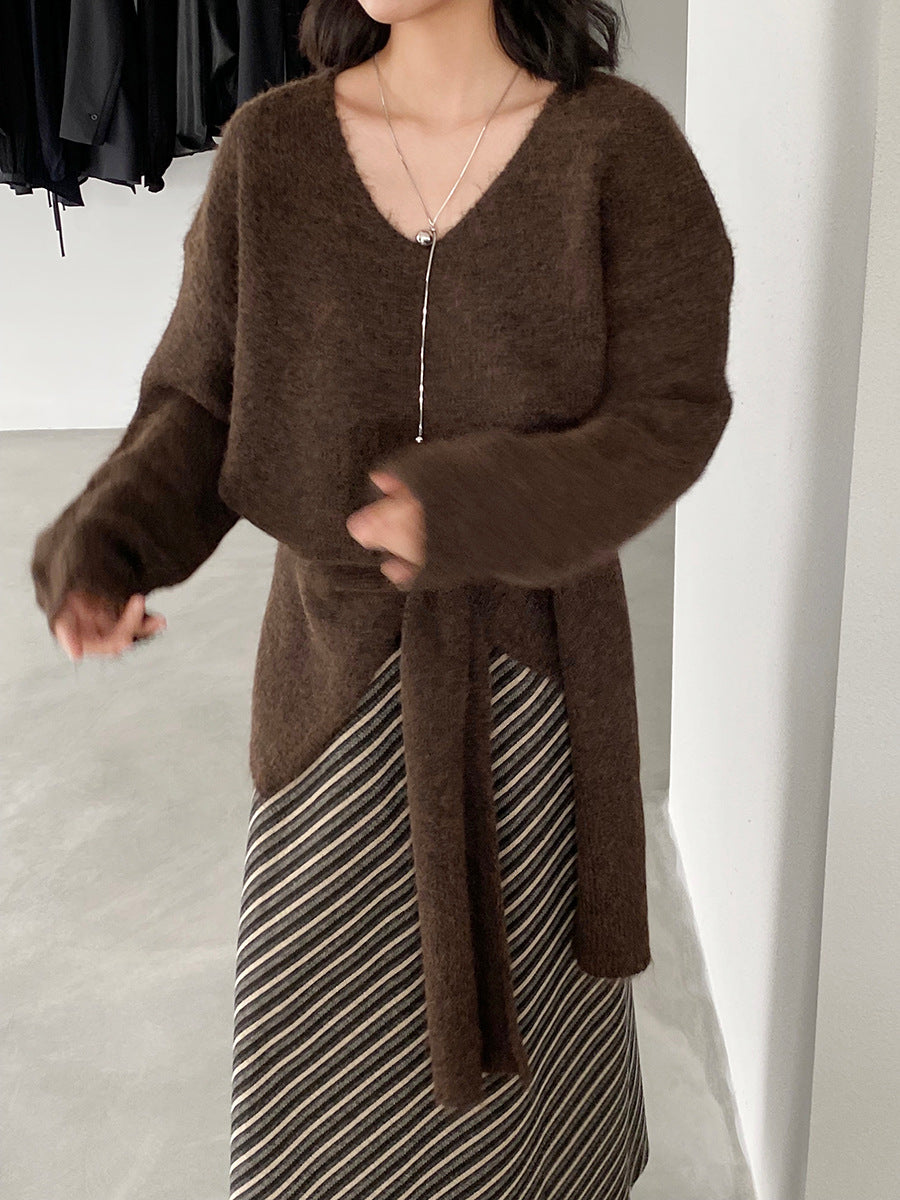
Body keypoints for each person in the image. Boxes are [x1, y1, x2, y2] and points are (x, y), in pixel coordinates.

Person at [31, 0, 736, 1195]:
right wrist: (107, 544)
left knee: (525, 1115)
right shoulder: (271, 150)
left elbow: (671, 413)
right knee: (322, 1077)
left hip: (531, 703)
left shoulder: (618, 150)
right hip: (329, 689)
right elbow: (200, 401)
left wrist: (483, 505)